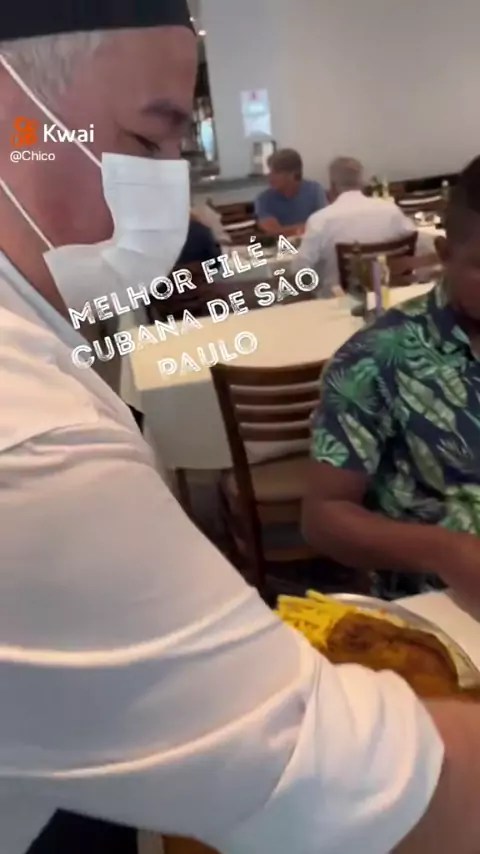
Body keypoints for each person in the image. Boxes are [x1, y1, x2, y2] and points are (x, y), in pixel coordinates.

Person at [2, 7, 480, 854]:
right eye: (146, 140)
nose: (168, 190)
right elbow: (350, 779)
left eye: (175, 150)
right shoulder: (33, 447)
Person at [303, 155, 480, 609]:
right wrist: (445, 551)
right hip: (445, 609)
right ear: (445, 256)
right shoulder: (375, 358)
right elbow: (323, 516)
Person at [298, 156, 434, 295]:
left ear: (332, 186)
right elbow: (421, 242)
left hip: (338, 301)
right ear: (361, 183)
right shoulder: (390, 211)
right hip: (392, 297)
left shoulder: (320, 220)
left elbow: (300, 268)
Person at [255, 148, 327, 237]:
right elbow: (275, 232)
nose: (270, 177)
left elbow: (324, 224)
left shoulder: (314, 190)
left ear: (293, 174)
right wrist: (306, 227)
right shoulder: (264, 199)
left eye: (276, 172)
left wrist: (293, 230)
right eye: (270, 171)